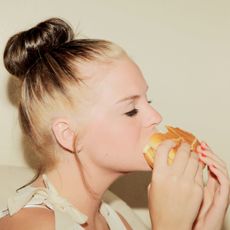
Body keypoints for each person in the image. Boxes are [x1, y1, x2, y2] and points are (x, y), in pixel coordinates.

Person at [0, 17, 229, 230]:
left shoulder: (116, 220)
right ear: (68, 134)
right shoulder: (32, 225)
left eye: (148, 101)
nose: (156, 117)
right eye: (131, 110)